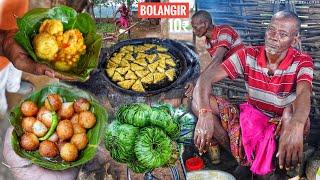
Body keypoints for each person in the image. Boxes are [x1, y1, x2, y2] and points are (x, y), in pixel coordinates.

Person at [192, 10, 313, 177]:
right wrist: (204, 113)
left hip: (281, 125)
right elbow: (205, 79)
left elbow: (304, 94)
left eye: (283, 34)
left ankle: (278, 166)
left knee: (297, 118)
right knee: (198, 102)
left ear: (294, 39)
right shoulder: (248, 55)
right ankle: (244, 160)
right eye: (271, 29)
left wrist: (297, 124)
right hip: (251, 119)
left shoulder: (302, 61)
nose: (274, 36)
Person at [184, 10, 245, 97]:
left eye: (195, 27)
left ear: (205, 24)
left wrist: (197, 80)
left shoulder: (224, 31)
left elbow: (217, 60)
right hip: (230, 75)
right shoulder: (207, 43)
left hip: (243, 74)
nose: (194, 31)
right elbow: (216, 65)